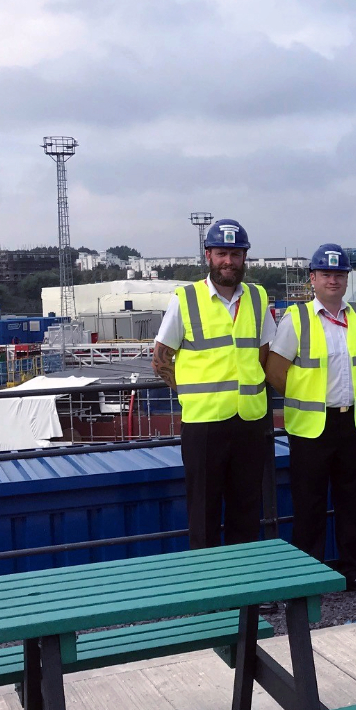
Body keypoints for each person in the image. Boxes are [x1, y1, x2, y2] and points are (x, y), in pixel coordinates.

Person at [265, 244, 356, 595]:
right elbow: (275, 372)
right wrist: (312, 398)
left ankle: (353, 572)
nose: (333, 280)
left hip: (352, 425)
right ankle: (308, 579)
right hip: (311, 429)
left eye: (339, 274)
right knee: (310, 507)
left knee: (351, 503)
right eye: (326, 274)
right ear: (313, 279)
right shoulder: (296, 319)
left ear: (347, 279)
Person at [152, 218, 276, 550]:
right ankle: (210, 598)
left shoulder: (258, 297)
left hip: (249, 422)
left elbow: (264, 353)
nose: (229, 261)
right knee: (203, 516)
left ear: (245, 258)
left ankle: (247, 597)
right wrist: (193, 393)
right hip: (204, 426)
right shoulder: (186, 299)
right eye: (222, 253)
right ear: (208, 255)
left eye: (236, 255)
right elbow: (161, 360)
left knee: (246, 514)